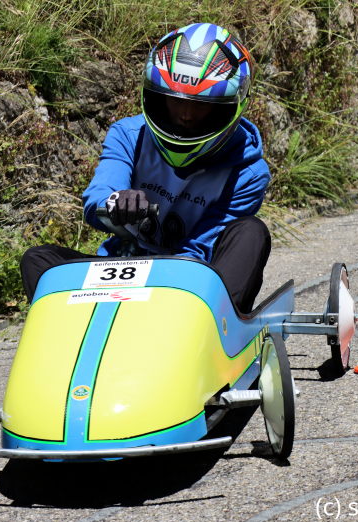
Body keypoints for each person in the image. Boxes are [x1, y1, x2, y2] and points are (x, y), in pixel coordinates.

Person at [21, 22, 271, 313]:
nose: (186, 115)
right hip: (122, 268)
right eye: (174, 101)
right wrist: (115, 203)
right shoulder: (128, 135)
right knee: (40, 261)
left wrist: (156, 285)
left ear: (230, 106)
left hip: (192, 285)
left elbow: (201, 248)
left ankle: (217, 328)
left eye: (201, 105)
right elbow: (97, 196)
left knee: (251, 233)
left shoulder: (248, 173)